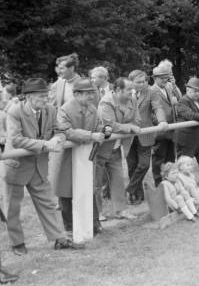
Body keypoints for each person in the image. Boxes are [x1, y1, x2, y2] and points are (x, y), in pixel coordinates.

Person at [4, 78, 82, 255]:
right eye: (41, 96)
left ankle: (59, 239)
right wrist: (46, 145)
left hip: (38, 166)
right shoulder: (15, 111)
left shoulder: (50, 109)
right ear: (29, 97)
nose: (46, 99)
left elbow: (60, 130)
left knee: (48, 203)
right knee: (12, 208)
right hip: (17, 166)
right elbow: (15, 139)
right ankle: (17, 243)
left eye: (47, 95)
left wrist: (58, 139)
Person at [53, 78, 106, 236]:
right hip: (66, 157)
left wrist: (102, 131)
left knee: (89, 188)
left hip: (87, 155)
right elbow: (66, 131)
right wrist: (91, 135)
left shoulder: (92, 108)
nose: (91, 96)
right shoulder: (65, 109)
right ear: (76, 94)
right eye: (87, 93)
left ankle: (94, 224)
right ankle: (69, 227)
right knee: (66, 191)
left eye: (92, 93)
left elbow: (99, 126)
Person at [94, 77, 140, 220]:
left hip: (117, 147)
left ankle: (121, 210)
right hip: (101, 148)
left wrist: (128, 126)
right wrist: (129, 127)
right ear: (118, 90)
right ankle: (97, 213)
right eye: (129, 89)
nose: (132, 92)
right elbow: (109, 125)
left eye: (132, 89)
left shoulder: (132, 100)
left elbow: (137, 120)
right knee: (96, 182)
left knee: (118, 180)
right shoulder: (106, 102)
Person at [126, 69, 166, 204]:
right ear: (131, 82)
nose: (142, 84)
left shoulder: (151, 92)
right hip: (128, 135)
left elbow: (157, 107)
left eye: (144, 81)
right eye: (138, 82)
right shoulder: (125, 92)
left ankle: (130, 189)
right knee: (132, 166)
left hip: (145, 133)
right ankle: (137, 196)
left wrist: (162, 121)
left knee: (143, 165)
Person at [151, 60, 178, 184]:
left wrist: (174, 86)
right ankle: (158, 182)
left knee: (171, 157)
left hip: (171, 128)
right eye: (161, 78)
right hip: (160, 130)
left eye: (166, 78)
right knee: (159, 158)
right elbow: (152, 111)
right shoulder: (152, 90)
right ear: (155, 78)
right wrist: (159, 122)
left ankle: (170, 180)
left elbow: (179, 98)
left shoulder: (169, 86)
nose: (164, 80)